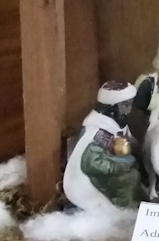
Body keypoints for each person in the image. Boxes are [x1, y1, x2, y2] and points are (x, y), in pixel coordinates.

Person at [63, 81, 148, 213]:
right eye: (125, 104)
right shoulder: (97, 131)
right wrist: (117, 166)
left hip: (115, 166)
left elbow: (130, 143)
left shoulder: (118, 123)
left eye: (130, 103)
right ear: (112, 107)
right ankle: (126, 208)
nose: (129, 108)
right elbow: (91, 163)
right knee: (129, 178)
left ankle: (138, 202)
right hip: (95, 176)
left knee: (135, 173)